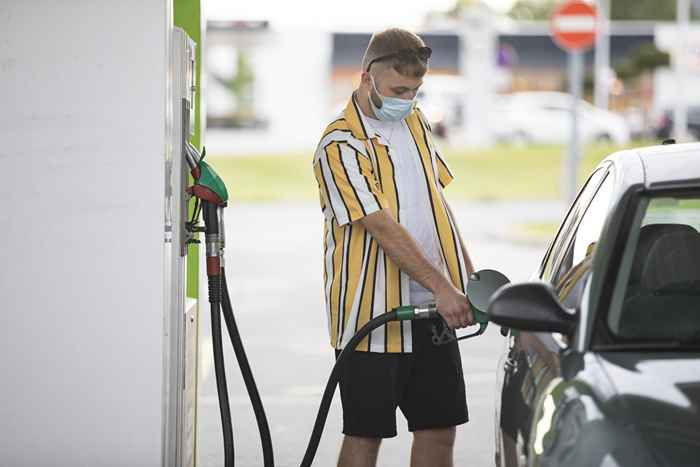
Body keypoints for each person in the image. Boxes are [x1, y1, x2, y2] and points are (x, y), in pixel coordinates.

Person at [312, 28, 476, 467]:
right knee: (366, 438)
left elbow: (435, 201)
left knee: (439, 431)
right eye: (399, 89)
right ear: (367, 77)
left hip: (433, 307)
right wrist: (442, 287)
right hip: (372, 317)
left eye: (416, 90)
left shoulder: (415, 123)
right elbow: (381, 228)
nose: (408, 98)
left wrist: (467, 277)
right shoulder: (339, 144)